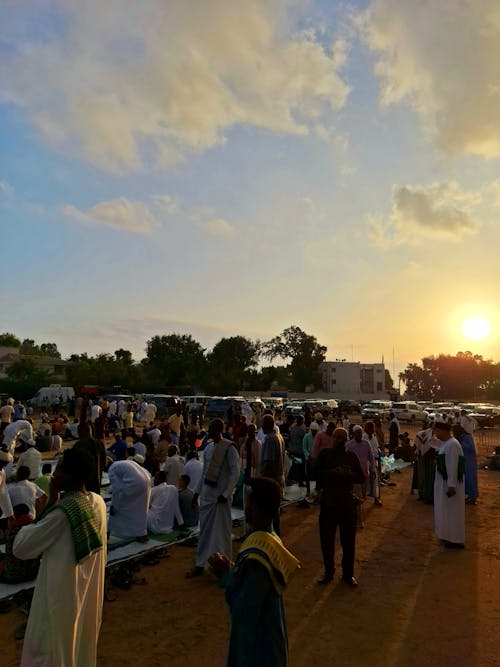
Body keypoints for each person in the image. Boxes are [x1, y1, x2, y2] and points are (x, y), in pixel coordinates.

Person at [13, 448, 107, 667]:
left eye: (61, 467)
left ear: (70, 475)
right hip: (84, 594)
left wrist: (50, 502)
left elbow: (21, 548)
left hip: (59, 597)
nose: (57, 472)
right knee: (77, 645)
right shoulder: (99, 503)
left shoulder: (62, 513)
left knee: (50, 650)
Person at [208, 477, 299, 667]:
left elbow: (243, 610)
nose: (246, 507)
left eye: (249, 502)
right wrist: (235, 570)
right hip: (271, 641)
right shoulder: (270, 540)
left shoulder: (258, 557)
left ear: (253, 508)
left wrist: (226, 575)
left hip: (258, 650)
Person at [187, 418, 240, 577]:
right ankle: (200, 564)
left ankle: (225, 565)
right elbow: (204, 473)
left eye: (211, 429)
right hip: (207, 497)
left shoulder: (229, 448)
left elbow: (234, 473)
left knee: (222, 533)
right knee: (204, 532)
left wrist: (226, 493)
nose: (209, 431)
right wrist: (196, 493)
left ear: (219, 430)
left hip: (220, 499)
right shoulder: (209, 448)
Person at [315, 428, 365, 586]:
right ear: (332, 438)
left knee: (349, 542)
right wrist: (333, 473)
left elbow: (361, 478)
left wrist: (347, 474)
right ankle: (328, 572)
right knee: (327, 541)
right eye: (337, 437)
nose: (339, 440)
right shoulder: (325, 455)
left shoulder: (350, 457)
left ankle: (348, 575)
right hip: (328, 503)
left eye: (342, 438)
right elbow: (313, 473)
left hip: (346, 504)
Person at [433, 417, 465, 549]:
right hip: (444, 483)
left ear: (443, 430)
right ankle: (448, 536)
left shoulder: (452, 444)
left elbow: (452, 466)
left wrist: (451, 486)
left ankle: (455, 539)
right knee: (446, 511)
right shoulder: (447, 443)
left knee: (452, 512)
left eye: (437, 430)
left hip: (450, 485)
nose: (435, 433)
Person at [108, 458, 152, 542]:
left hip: (134, 484)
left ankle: (109, 532)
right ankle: (141, 534)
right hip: (146, 481)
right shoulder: (122, 463)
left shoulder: (112, 469)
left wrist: (115, 506)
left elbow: (117, 490)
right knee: (140, 510)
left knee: (120, 509)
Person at [0, 503, 40, 583]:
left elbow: (10, 555)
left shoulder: (14, 532)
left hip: (12, 575)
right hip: (32, 573)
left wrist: (9, 531)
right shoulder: (35, 528)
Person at [260, 414, 285, 535]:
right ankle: (276, 535)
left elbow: (268, 461)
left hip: (270, 478)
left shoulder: (269, 439)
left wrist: (261, 478)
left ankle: (271, 536)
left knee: (269, 510)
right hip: (278, 477)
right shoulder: (279, 436)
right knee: (275, 510)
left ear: (266, 425)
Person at [412, 418, 438, 503]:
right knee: (428, 478)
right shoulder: (433, 436)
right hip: (429, 460)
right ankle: (427, 496)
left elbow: (416, 446)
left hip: (423, 459)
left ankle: (423, 495)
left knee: (422, 477)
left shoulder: (421, 434)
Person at [457, 410, 478, 504]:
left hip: (469, 460)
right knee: (468, 477)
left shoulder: (466, 436)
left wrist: (460, 443)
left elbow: (469, 447)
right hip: (468, 460)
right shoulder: (469, 419)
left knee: (470, 477)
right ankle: (470, 496)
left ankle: (472, 497)